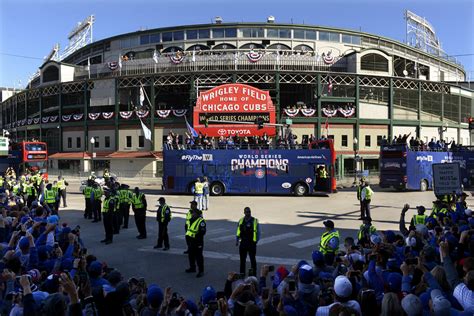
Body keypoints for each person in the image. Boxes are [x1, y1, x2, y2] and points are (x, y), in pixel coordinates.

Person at [236, 207, 260, 276]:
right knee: (242, 261)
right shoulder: (241, 220)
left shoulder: (254, 221)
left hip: (251, 243)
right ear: (244, 213)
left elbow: (258, 232)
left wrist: (255, 241)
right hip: (243, 243)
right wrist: (237, 240)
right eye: (246, 212)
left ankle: (253, 275)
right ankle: (242, 274)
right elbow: (238, 231)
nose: (248, 213)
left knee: (253, 261)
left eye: (249, 212)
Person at [185, 206, 206, 278]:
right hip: (191, 241)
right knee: (191, 255)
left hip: (198, 242)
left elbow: (202, 232)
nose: (192, 214)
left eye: (193, 213)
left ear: (196, 214)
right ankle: (192, 268)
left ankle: (201, 271)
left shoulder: (201, 221)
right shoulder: (191, 219)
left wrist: (196, 240)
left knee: (199, 257)